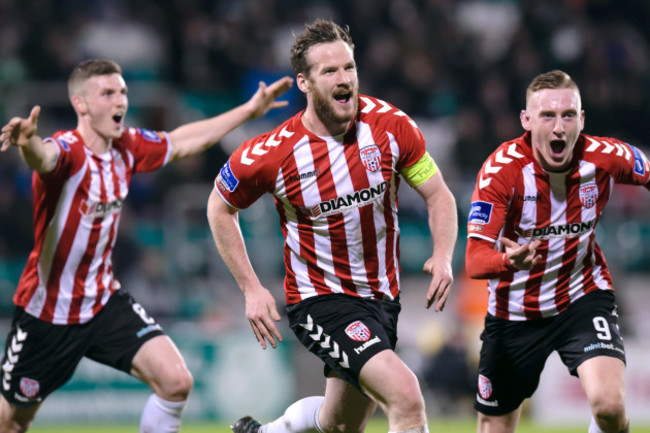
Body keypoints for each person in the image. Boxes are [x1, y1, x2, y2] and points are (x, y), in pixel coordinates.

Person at [0, 59, 292, 433]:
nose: (120, 99)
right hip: (48, 313)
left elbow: (185, 140)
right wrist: (28, 145)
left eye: (122, 91)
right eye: (107, 93)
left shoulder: (127, 146)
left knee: (176, 382)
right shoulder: (68, 152)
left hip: (104, 301)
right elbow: (44, 158)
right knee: (12, 423)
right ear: (81, 105)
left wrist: (249, 111)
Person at [207, 19, 457, 433]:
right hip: (321, 300)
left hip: (382, 297)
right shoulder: (274, 153)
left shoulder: (391, 126)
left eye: (349, 68)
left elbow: (439, 195)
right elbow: (219, 207)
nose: (344, 80)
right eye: (330, 72)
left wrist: (444, 255)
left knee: (340, 424)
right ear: (304, 83)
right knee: (406, 397)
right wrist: (251, 288)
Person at [466, 69, 650, 433]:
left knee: (610, 407)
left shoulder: (606, 156)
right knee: (494, 427)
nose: (559, 127)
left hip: (581, 297)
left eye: (568, 115)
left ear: (582, 119)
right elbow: (474, 260)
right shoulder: (501, 172)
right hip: (513, 313)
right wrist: (507, 261)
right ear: (527, 120)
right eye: (548, 115)